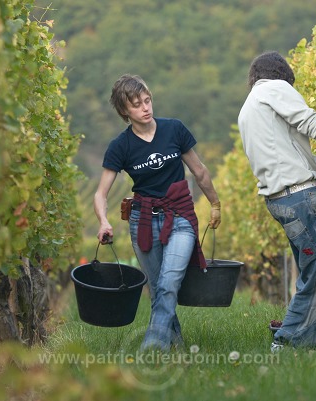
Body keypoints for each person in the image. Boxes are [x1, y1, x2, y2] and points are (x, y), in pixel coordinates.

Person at [237, 51, 316, 352]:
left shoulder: (249, 109)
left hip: (282, 201)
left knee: (313, 273)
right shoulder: (273, 88)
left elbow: (310, 165)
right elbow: (314, 126)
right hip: (300, 199)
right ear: (282, 75)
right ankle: (286, 343)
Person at [94, 74, 221, 352]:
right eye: (137, 104)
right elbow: (101, 193)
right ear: (125, 111)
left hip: (180, 216)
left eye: (147, 100)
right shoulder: (120, 146)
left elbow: (199, 171)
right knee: (158, 291)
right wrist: (103, 221)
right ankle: (176, 348)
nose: (146, 107)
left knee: (168, 283)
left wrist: (214, 203)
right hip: (143, 220)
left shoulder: (174, 129)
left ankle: (152, 349)